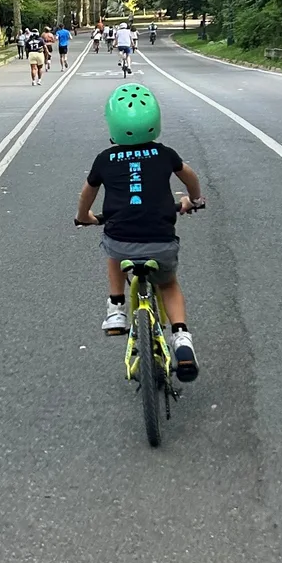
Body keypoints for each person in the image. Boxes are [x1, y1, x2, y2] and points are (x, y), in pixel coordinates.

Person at [74, 82, 205, 380]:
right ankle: (182, 337)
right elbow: (190, 177)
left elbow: (87, 194)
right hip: (161, 241)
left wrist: (84, 217)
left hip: (122, 241)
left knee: (112, 247)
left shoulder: (105, 159)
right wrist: (193, 200)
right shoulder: (165, 154)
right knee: (168, 284)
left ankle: (116, 307)